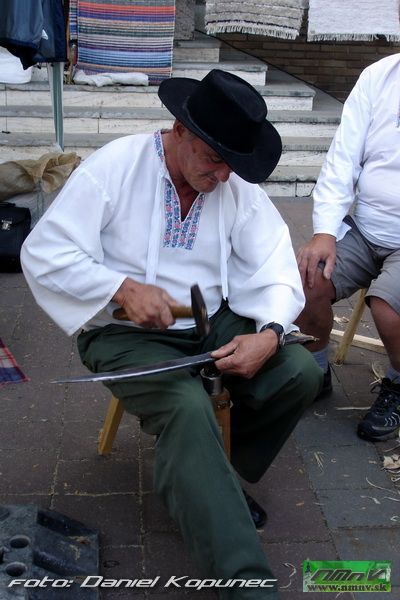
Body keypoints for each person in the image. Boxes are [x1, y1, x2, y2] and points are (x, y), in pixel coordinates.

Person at [21, 69, 322, 598]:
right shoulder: (115, 167)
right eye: (213, 158)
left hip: (209, 320)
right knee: (186, 407)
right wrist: (119, 287)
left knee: (299, 372)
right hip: (121, 332)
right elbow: (44, 252)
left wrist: (272, 333)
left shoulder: (233, 185)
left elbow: (274, 264)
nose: (223, 175)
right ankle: (246, 583)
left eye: (232, 164)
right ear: (180, 130)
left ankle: (208, 482)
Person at [296, 53, 400, 442]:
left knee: (387, 308)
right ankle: (316, 371)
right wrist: (325, 230)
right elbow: (343, 158)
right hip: (366, 226)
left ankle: (398, 385)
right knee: (308, 279)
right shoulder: (379, 76)